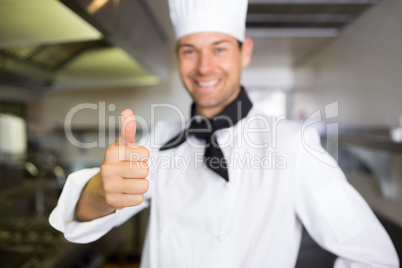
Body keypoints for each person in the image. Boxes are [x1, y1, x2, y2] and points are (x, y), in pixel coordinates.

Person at [49, 0, 399, 267]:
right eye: (190, 51)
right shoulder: (160, 140)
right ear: (178, 56)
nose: (204, 67)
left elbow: (373, 255)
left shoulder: (293, 144)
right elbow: (82, 216)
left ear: (244, 52)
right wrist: (100, 191)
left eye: (218, 48)